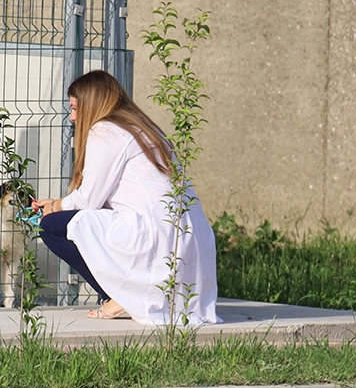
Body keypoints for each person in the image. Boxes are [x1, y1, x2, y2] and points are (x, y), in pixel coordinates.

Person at [32, 69, 219, 325]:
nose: (72, 117)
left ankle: (117, 296)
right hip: (188, 233)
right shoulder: (143, 127)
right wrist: (59, 204)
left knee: (52, 226)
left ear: (92, 105)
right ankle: (123, 295)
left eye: (75, 108)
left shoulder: (105, 131)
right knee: (76, 221)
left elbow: (89, 201)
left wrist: (53, 206)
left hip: (154, 233)